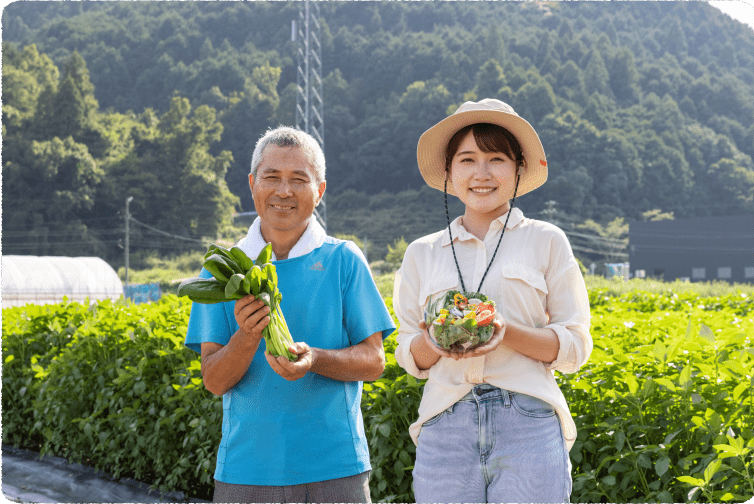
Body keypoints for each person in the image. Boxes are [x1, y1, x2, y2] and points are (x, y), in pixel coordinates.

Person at [393, 98, 592, 503]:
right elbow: (408, 354)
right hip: (444, 423)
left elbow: (575, 346)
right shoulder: (422, 252)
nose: (481, 173)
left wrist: (505, 333)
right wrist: (434, 342)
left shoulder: (546, 240)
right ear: (448, 172)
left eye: (496, 158)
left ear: (518, 169)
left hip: (529, 422)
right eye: (467, 160)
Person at [184, 126, 396, 503]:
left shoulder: (343, 259)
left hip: (335, 468)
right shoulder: (223, 269)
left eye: (299, 179)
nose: (284, 191)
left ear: (320, 190)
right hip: (246, 471)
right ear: (252, 184)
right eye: (272, 177)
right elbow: (214, 380)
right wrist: (246, 336)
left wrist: (314, 359)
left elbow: (374, 361)